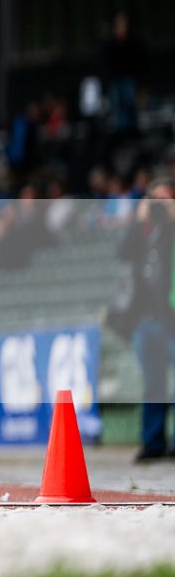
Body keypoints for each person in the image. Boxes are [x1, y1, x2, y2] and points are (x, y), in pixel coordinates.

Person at [116, 179, 174, 463]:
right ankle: (153, 442)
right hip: (146, 319)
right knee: (153, 384)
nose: (158, 205)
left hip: (171, 319)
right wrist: (138, 220)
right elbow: (123, 252)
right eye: (154, 199)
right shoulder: (144, 230)